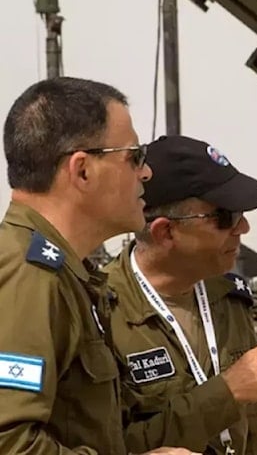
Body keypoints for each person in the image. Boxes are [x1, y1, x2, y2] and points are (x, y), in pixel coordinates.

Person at [0, 76, 194, 454]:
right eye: (133, 157)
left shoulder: (64, 274)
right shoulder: (30, 275)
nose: (146, 173)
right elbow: (10, 444)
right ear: (82, 171)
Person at [103, 134, 257, 455]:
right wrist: (226, 392)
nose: (243, 227)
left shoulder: (230, 301)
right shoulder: (99, 311)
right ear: (166, 232)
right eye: (224, 217)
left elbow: (249, 427)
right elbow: (102, 445)